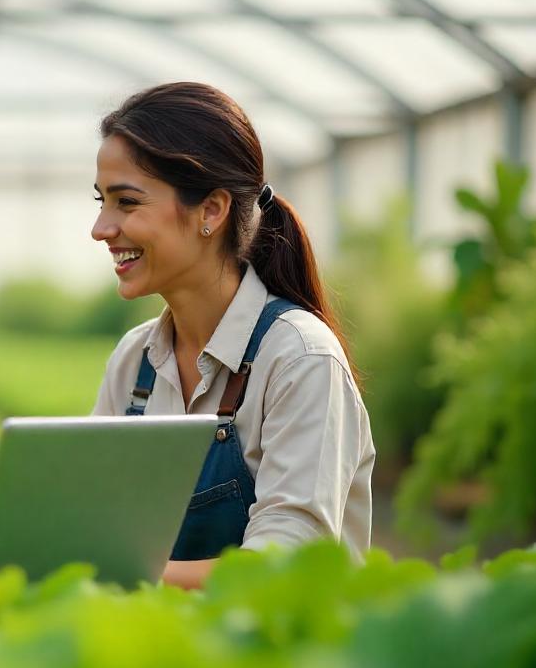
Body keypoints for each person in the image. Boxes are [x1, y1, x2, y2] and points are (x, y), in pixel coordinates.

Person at [89, 82, 374, 589]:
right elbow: (94, 522)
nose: (101, 228)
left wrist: (102, 571)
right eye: (101, 201)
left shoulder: (299, 358)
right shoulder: (135, 361)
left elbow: (282, 567)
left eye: (126, 202)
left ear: (212, 211)